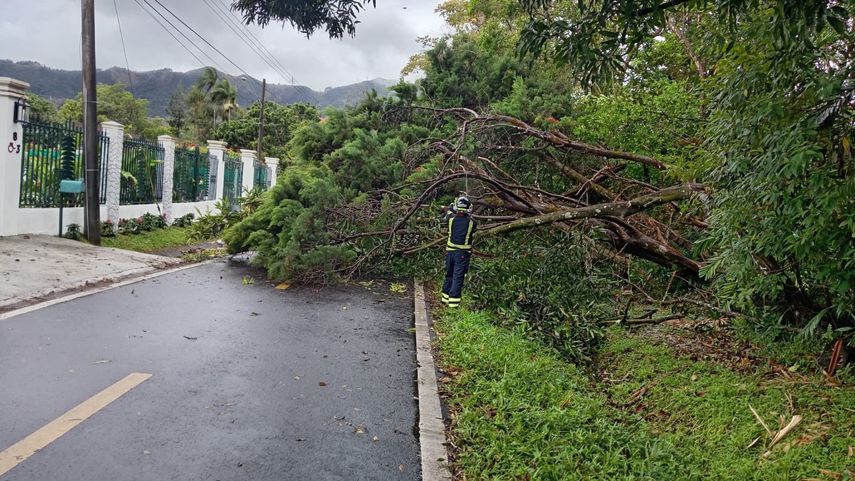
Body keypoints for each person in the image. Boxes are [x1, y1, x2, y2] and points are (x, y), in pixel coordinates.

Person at [441, 196, 476, 308]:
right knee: (458, 277)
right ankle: (453, 304)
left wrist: (451, 206)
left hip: (450, 253)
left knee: (449, 274)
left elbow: (448, 214)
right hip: (462, 254)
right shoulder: (472, 223)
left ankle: (445, 298)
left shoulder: (451, 219)